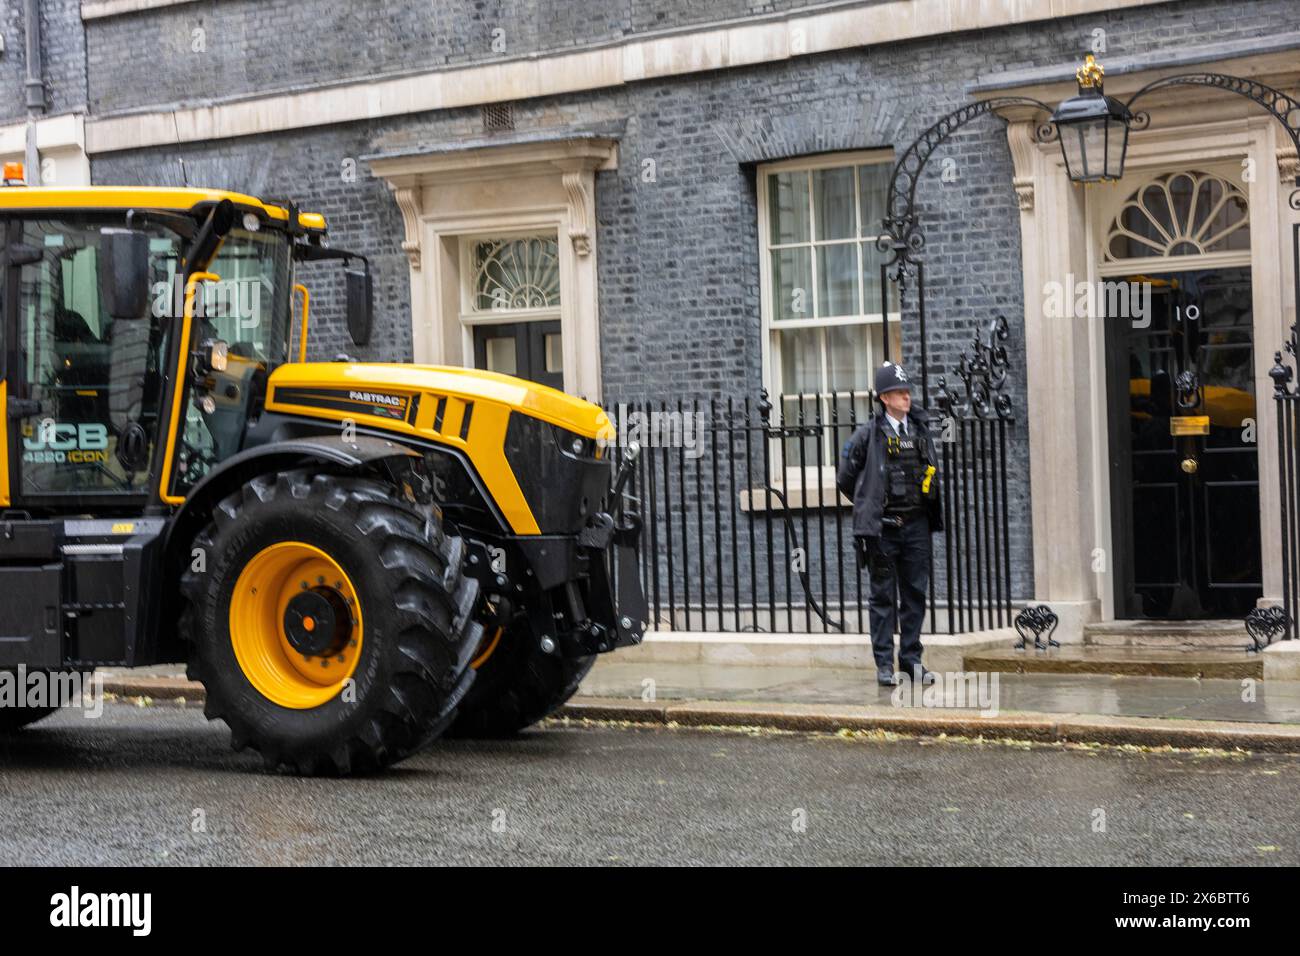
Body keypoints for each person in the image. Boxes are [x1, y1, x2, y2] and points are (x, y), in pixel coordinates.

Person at [836, 361, 943, 687]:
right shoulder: (867, 435)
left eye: (907, 391)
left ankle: (911, 661)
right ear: (884, 398)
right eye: (898, 392)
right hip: (883, 530)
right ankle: (884, 664)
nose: (906, 397)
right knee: (882, 599)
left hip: (916, 526)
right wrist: (869, 504)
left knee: (914, 596)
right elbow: (845, 479)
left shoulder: (920, 430)